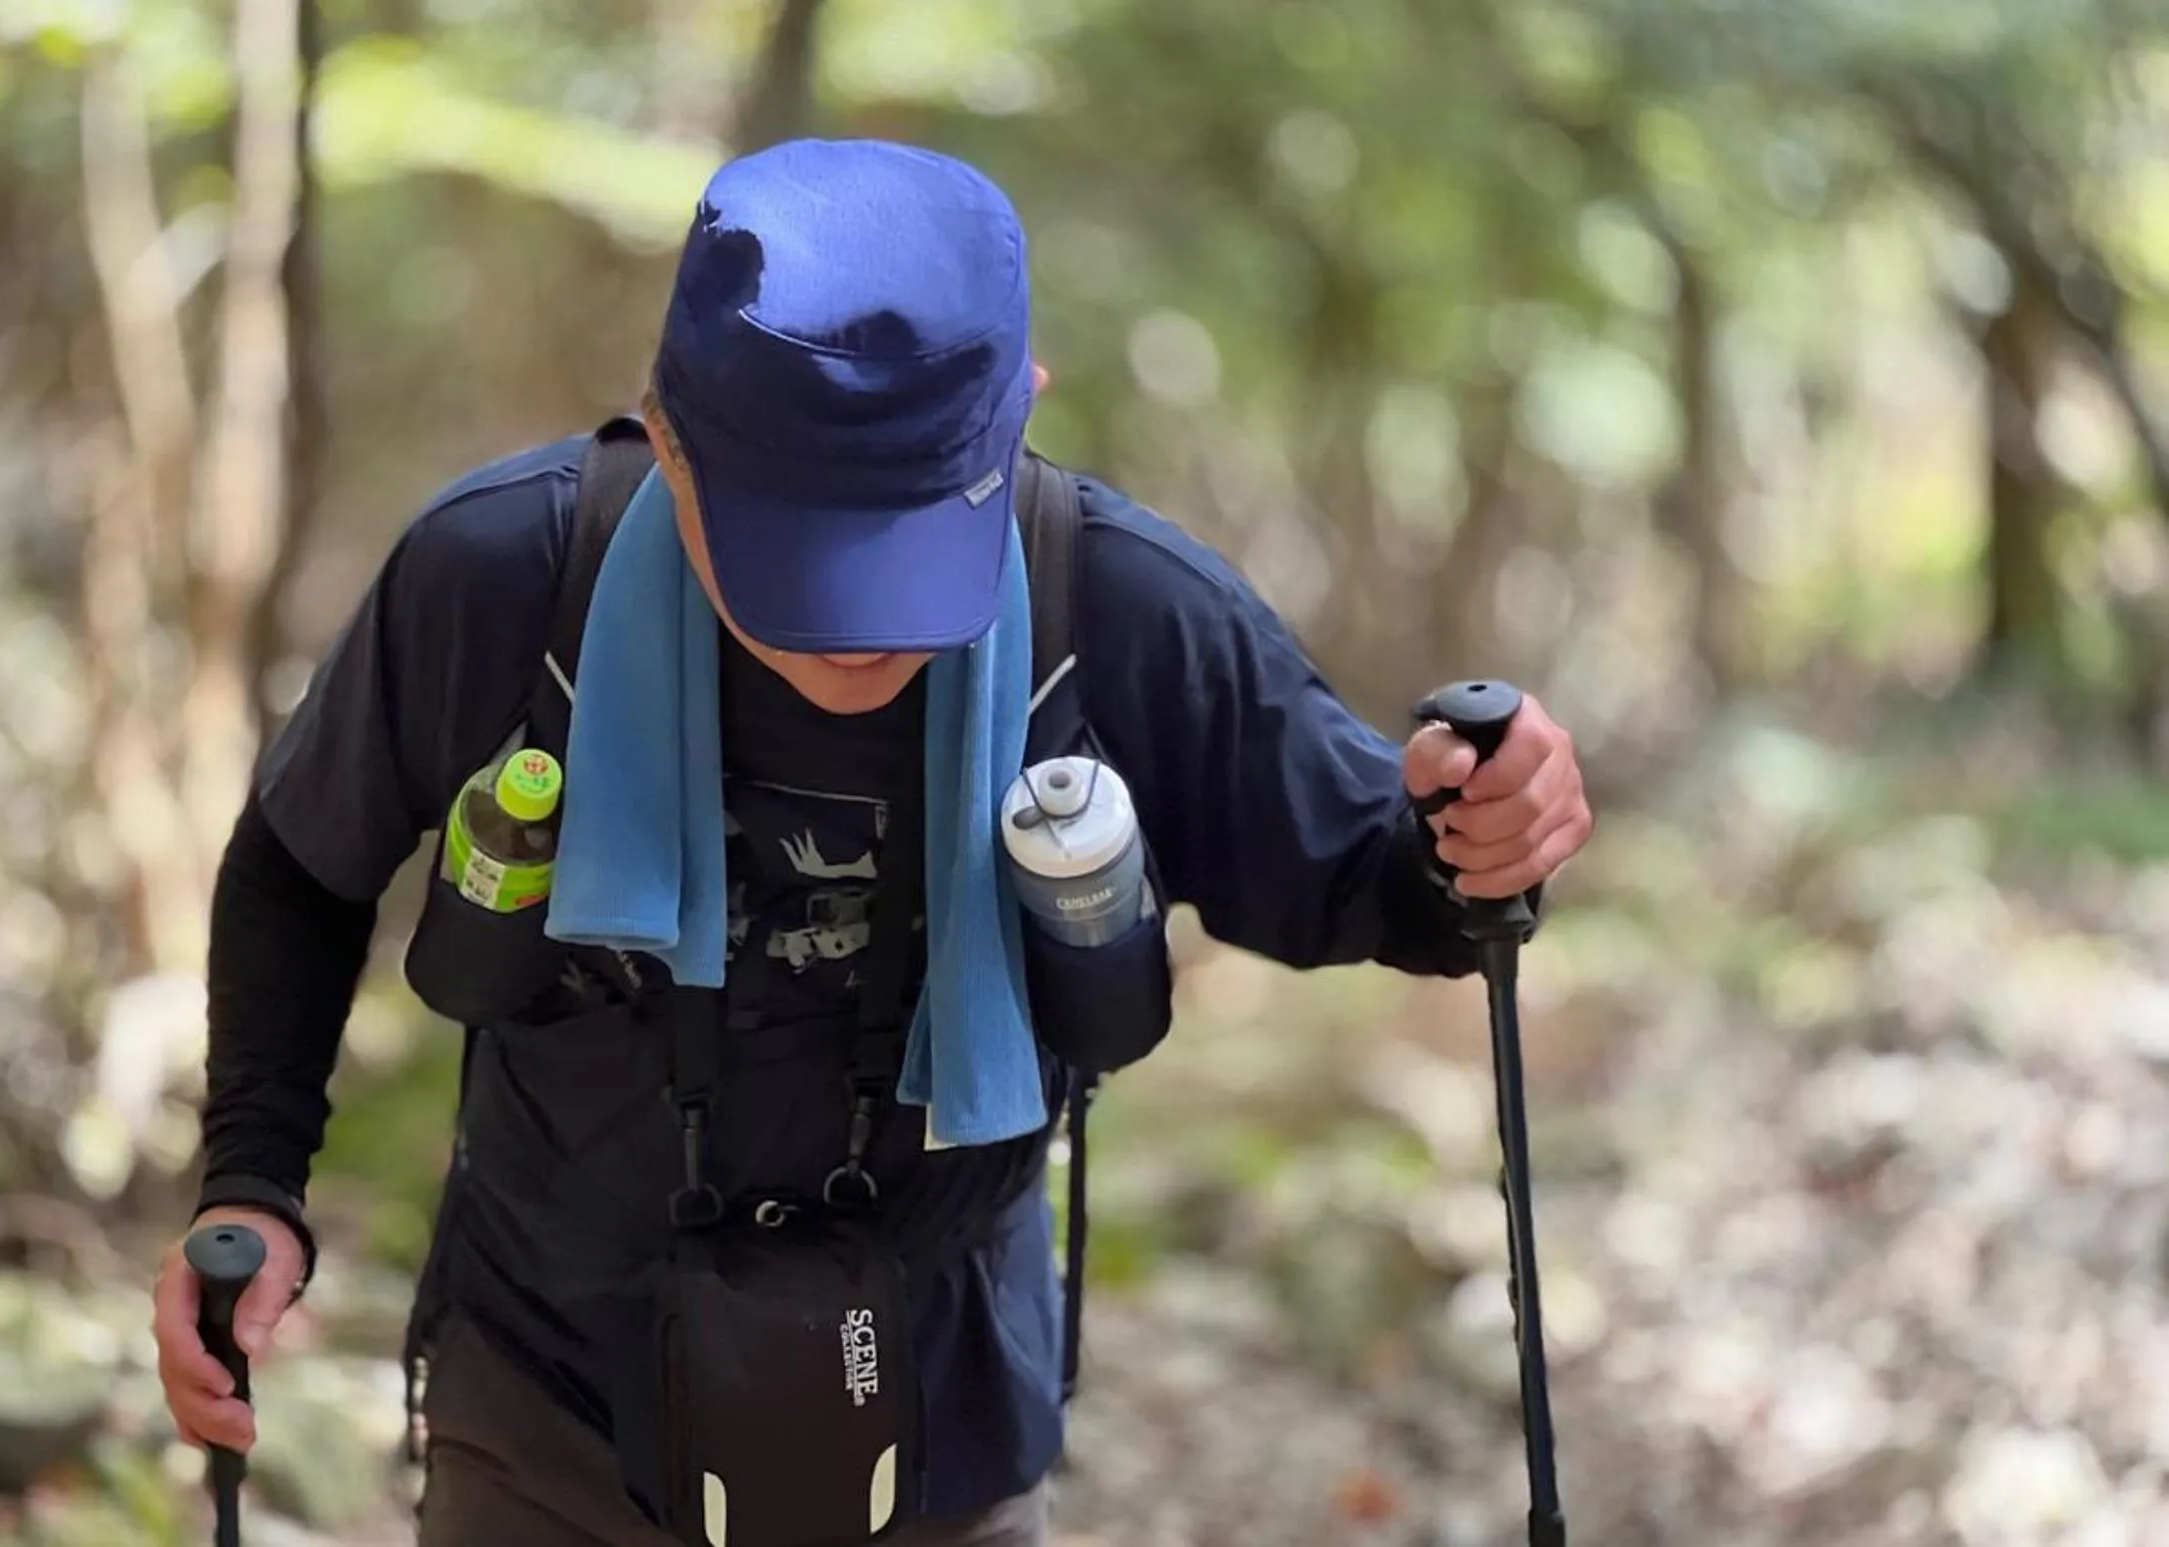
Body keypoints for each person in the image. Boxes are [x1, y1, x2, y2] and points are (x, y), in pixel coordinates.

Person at [152, 138, 1593, 1546]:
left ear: (1016, 411)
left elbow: (1381, 885)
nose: (861, 630)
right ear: (664, 435)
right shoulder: (505, 580)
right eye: (798, 558)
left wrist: (1484, 829)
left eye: (907, 543)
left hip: (943, 1404)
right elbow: (300, 862)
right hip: (549, 1391)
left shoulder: (1118, 612)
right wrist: (252, 1181)